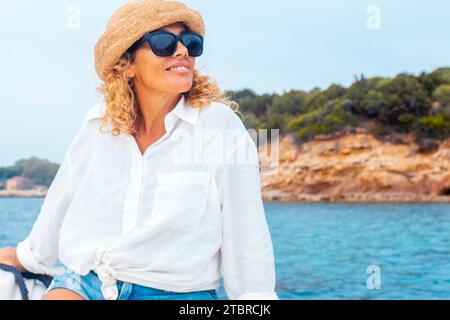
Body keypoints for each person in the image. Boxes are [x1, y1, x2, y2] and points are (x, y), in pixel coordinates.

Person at [0, 0, 278, 300]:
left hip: (177, 293)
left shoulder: (218, 126)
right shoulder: (99, 124)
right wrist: (28, 258)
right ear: (127, 63)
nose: (182, 50)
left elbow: (246, 233)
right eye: (163, 43)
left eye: (191, 43)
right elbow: (62, 197)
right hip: (87, 283)